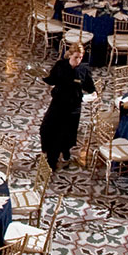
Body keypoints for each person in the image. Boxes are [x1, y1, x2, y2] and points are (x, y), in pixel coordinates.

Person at [40, 42, 96, 170]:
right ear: (70, 55)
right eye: (76, 57)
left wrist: (93, 95)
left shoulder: (83, 70)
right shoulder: (60, 66)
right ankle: (51, 152)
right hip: (58, 104)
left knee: (63, 135)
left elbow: (91, 88)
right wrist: (40, 75)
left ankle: (54, 160)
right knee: (46, 128)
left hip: (73, 108)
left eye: (81, 57)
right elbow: (52, 79)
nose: (78, 60)